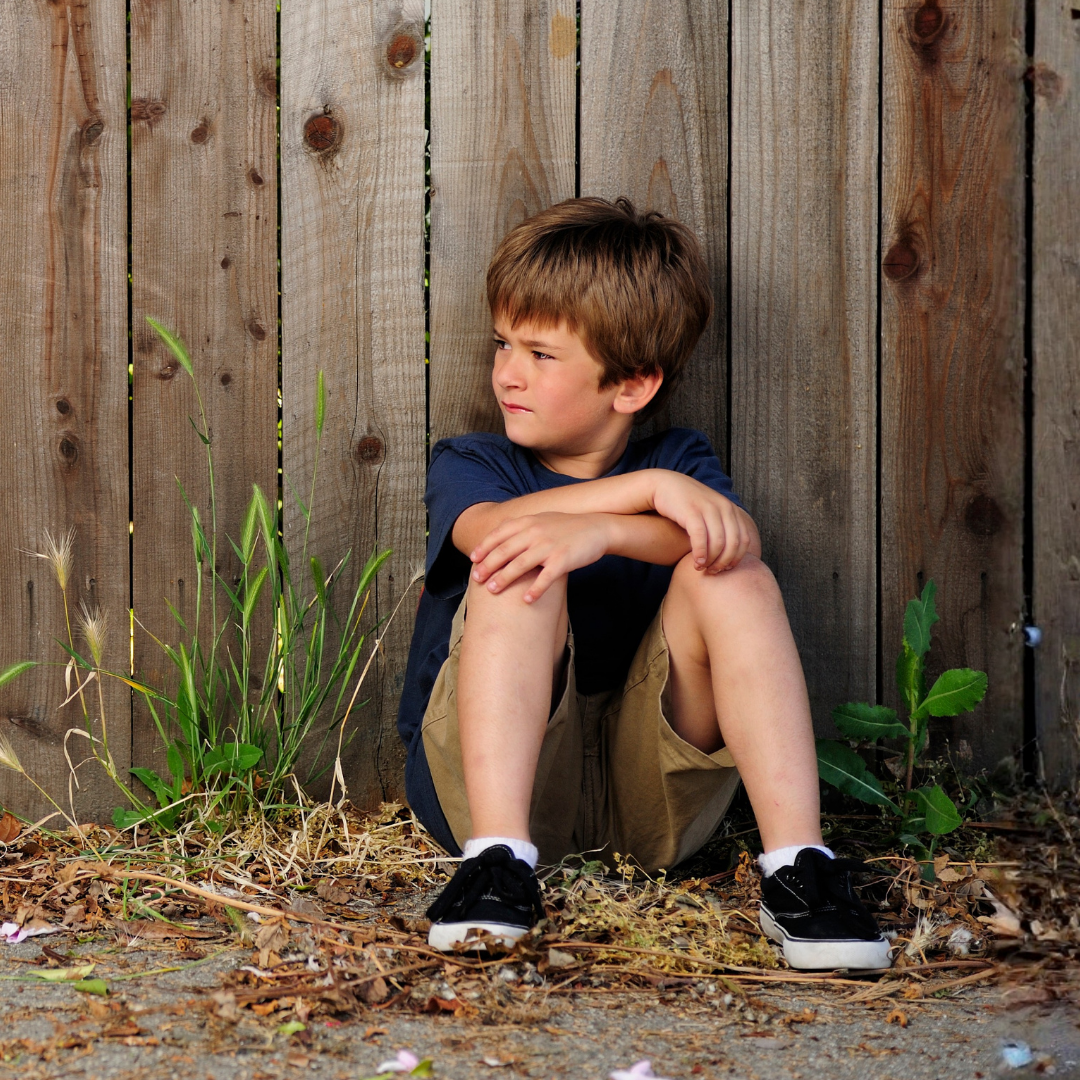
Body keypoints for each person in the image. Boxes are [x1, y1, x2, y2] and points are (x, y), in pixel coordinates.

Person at [397, 197, 890, 971]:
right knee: (521, 560)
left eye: (540, 354)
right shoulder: (471, 463)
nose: (507, 373)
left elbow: (737, 542)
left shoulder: (678, 462)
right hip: (488, 790)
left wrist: (614, 524)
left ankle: (800, 869)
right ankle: (495, 864)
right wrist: (643, 498)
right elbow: (491, 535)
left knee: (732, 575)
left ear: (630, 386)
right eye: (502, 344)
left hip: (651, 796)